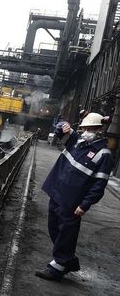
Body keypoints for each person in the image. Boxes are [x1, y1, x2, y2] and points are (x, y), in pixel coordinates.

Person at [35, 113, 113, 281]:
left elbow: (99, 185)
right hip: (56, 192)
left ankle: (57, 268)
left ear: (100, 130)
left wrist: (85, 204)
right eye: (84, 128)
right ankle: (68, 260)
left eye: (90, 129)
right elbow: (60, 131)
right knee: (53, 228)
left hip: (72, 201)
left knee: (66, 234)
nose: (86, 131)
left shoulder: (104, 155)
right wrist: (63, 125)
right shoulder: (77, 141)